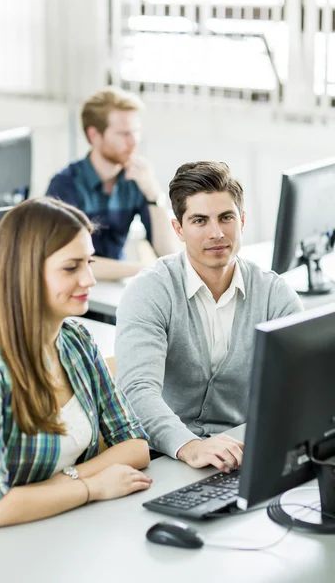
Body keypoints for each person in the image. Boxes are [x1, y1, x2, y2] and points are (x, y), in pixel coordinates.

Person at [0, 197, 151, 540]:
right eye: (71, 267)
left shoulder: (77, 341)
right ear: (25, 272)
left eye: (89, 263)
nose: (89, 280)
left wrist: (65, 481)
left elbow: (135, 446)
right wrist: (92, 486)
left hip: (63, 531)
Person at [115, 161, 304, 470]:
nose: (216, 233)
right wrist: (190, 446)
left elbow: (304, 382)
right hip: (165, 455)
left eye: (226, 218)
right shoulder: (150, 291)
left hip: (238, 453)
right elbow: (137, 392)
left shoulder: (273, 294)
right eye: (200, 221)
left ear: (242, 221)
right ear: (178, 229)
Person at [46, 86, 178, 280]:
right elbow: (71, 260)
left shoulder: (135, 180)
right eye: (124, 134)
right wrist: (143, 269)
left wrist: (154, 194)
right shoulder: (65, 186)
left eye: (136, 132)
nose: (134, 142)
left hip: (115, 286)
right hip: (76, 287)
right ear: (94, 136)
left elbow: (168, 252)